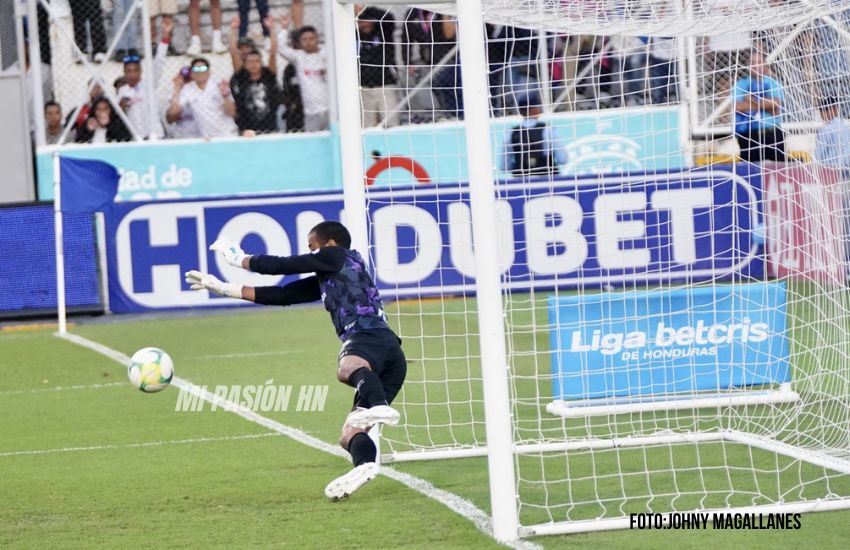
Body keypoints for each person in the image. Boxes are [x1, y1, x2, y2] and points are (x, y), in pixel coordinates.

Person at [185, 221, 406, 500]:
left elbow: (284, 265)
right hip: (389, 355)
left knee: (346, 367)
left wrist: (239, 259)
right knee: (349, 433)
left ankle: (379, 405)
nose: (311, 253)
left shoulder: (339, 256)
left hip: (369, 338)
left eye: (312, 247)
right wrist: (223, 288)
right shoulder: (332, 275)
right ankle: (364, 467)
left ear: (330, 243)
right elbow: (283, 295)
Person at [117, 19, 172, 139]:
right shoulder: (122, 91)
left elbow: (159, 63)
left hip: (156, 135)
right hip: (138, 138)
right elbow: (119, 112)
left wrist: (165, 38)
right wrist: (122, 105)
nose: (132, 74)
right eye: (129, 71)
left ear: (140, 71)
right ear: (124, 73)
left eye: (135, 70)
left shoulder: (149, 84)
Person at [277, 15, 329, 132]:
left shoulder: (327, 53)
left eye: (311, 38)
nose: (308, 42)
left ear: (317, 38)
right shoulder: (299, 57)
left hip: (331, 109)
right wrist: (284, 29)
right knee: (313, 143)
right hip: (310, 111)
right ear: (300, 43)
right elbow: (282, 49)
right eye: (304, 40)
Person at [733, 49, 786, 163]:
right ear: (748, 65)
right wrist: (767, 105)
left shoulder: (773, 83)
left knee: (779, 168)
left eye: (758, 61)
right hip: (748, 134)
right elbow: (738, 107)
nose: (756, 65)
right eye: (752, 62)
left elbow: (775, 104)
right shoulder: (740, 84)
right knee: (750, 171)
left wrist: (751, 100)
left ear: (764, 64)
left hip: (771, 132)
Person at [230, 24, 283, 135]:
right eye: (250, 61)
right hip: (248, 127)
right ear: (245, 64)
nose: (253, 64)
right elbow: (234, 53)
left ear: (261, 62)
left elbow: (273, 53)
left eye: (257, 61)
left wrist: (272, 30)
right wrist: (233, 30)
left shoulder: (268, 75)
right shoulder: (242, 77)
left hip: (270, 125)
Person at [166, 58, 238, 138]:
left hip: (227, 134)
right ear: (192, 73)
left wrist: (225, 97)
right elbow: (173, 113)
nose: (200, 71)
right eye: (196, 69)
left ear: (209, 71)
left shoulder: (219, 85)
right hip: (206, 137)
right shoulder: (188, 89)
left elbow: (232, 113)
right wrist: (177, 89)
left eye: (203, 68)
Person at [501, 94, 566, 177]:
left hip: (521, 184)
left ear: (520, 112)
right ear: (536, 109)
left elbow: (504, 167)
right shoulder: (549, 130)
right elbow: (563, 159)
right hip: (548, 181)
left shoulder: (510, 134)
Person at [356, 6, 398, 127]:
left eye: (367, 20)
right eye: (360, 21)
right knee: (367, 125)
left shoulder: (384, 32)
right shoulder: (352, 36)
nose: (364, 24)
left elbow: (389, 17)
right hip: (363, 87)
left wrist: (364, 9)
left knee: (391, 123)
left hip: (385, 85)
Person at [815, 97, 850, 171]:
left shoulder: (826, 130)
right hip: (847, 169)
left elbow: (818, 156)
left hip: (830, 171)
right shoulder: (847, 128)